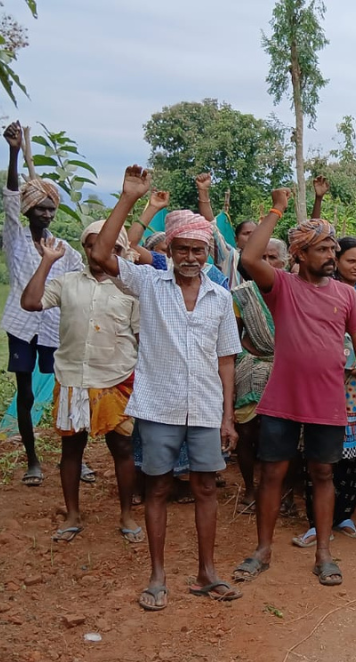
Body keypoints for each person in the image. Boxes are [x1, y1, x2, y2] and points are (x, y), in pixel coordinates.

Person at [90, 166, 243, 611]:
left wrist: (228, 417)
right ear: (170, 249)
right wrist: (129, 199)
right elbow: (102, 254)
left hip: (207, 410)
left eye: (199, 249)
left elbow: (226, 360)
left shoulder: (219, 297)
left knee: (206, 488)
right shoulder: (148, 284)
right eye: (183, 249)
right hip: (158, 407)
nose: (191, 256)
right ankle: (157, 576)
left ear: (208, 252)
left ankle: (207, 571)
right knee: (156, 488)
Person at [234, 190, 356, 588]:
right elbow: (249, 259)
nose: (331, 255)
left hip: (327, 400)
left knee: (323, 474)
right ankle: (262, 550)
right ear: (300, 255)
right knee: (273, 474)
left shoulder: (346, 295)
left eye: (333, 247)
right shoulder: (281, 285)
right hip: (283, 398)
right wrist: (276, 209)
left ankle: (324, 553)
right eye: (322, 248)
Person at [19, 221, 142, 544]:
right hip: (73, 379)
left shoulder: (130, 289)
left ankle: (127, 514)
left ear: (121, 252)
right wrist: (47, 261)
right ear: (85, 248)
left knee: (123, 448)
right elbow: (31, 303)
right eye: (91, 245)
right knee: (71, 449)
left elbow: (141, 337)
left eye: (111, 247)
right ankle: (73, 515)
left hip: (116, 380)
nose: (97, 252)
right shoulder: (67, 283)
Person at [1, 121, 85, 487]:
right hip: (20, 324)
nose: (47, 215)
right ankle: (32, 459)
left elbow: (84, 275)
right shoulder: (15, 239)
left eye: (52, 210)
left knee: (67, 389)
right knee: (25, 391)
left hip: (55, 328)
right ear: (29, 210)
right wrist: (15, 152)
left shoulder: (64, 249)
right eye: (41, 210)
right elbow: (9, 197)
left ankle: (75, 460)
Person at [290, 236, 356, 546]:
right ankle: (315, 522)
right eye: (351, 260)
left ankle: (344, 513)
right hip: (328, 381)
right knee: (322, 453)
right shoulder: (322, 289)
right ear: (337, 260)